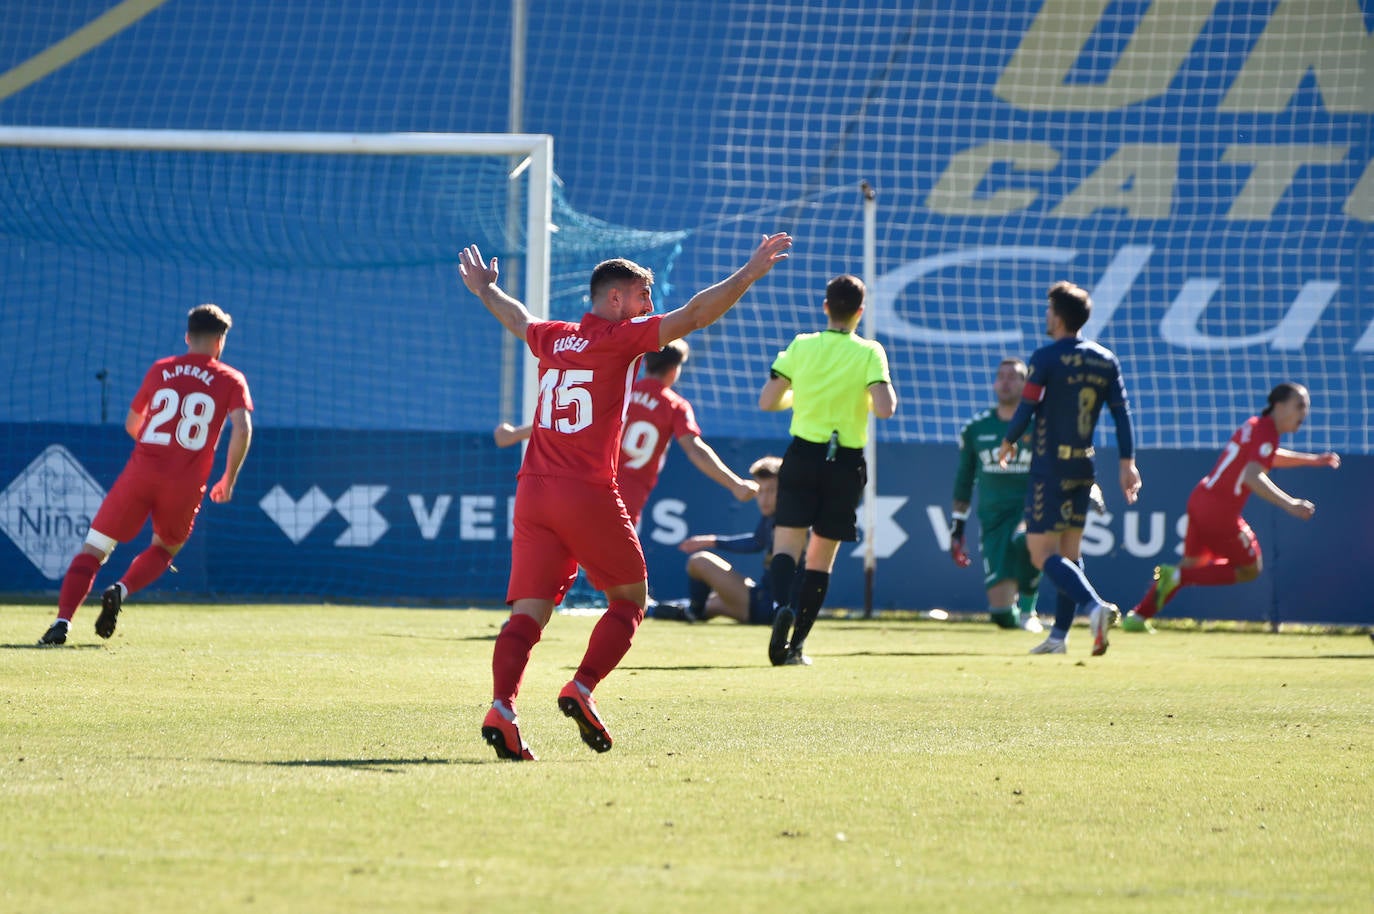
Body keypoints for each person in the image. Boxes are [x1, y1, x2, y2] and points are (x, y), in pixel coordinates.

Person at [459, 232, 792, 761]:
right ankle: (582, 687)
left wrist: (484, 291)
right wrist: (748, 273)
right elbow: (696, 314)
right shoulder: (619, 340)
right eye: (642, 297)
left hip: (533, 493)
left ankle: (502, 707)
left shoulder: (554, 336)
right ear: (616, 300)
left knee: (527, 614)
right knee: (629, 601)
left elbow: (518, 318)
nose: (648, 307)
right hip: (587, 494)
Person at [38, 304, 253, 645]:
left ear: (187, 337)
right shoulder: (230, 378)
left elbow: (132, 423)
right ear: (219, 342)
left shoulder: (161, 369)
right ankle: (120, 590)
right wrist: (229, 478)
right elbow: (241, 428)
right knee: (166, 548)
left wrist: (158, 449)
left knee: (94, 548)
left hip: (141, 473)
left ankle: (62, 622)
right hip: (184, 482)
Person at [997, 280, 1141, 657]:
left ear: (1058, 317)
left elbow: (1026, 408)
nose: (1046, 316)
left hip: (1050, 465)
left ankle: (1094, 607)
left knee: (1040, 553)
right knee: (1069, 552)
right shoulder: (1106, 359)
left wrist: (1009, 439)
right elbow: (1122, 417)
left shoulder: (1045, 358)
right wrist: (1128, 463)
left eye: (1048, 310)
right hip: (1084, 465)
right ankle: (1059, 637)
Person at [759, 274, 896, 666]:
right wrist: (864, 398)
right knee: (820, 559)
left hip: (802, 455)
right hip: (845, 462)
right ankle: (797, 646)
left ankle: (782, 604)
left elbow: (768, 400)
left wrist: (800, 397)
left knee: (786, 545)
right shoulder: (870, 352)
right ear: (860, 312)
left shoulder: (802, 345)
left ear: (825, 307)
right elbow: (885, 408)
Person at [1123, 383, 1339, 631]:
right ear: (1279, 406)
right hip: (1219, 511)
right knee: (1250, 568)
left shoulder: (1256, 425)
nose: (1305, 412)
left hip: (1201, 497)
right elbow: (1252, 476)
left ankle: (1137, 617)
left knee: (1190, 565)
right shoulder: (1267, 431)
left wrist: (1312, 460)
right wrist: (1290, 504)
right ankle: (1175, 579)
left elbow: (1266, 457)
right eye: (1299, 405)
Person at [493, 338, 758, 526]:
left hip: (586, 486)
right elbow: (694, 449)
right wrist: (734, 483)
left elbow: (567, 418)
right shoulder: (675, 405)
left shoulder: (618, 390)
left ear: (645, 363)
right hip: (625, 498)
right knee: (625, 578)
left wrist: (515, 434)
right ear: (675, 370)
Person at [950, 358, 1045, 633]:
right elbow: (964, 479)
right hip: (993, 520)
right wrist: (957, 527)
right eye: (1001, 376)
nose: (1005, 381)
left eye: (1013, 376)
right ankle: (1016, 614)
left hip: (1031, 512)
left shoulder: (1039, 425)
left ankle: (1029, 612)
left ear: (1026, 385)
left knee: (1024, 540)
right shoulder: (976, 428)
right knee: (1002, 616)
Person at [672, 456, 782, 623]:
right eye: (760, 491)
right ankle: (663, 610)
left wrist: (711, 541)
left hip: (765, 607)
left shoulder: (788, 518)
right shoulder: (774, 515)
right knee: (711, 603)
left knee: (699, 561)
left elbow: (755, 544)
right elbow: (758, 541)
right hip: (762, 602)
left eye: (772, 491)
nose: (764, 499)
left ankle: (693, 612)